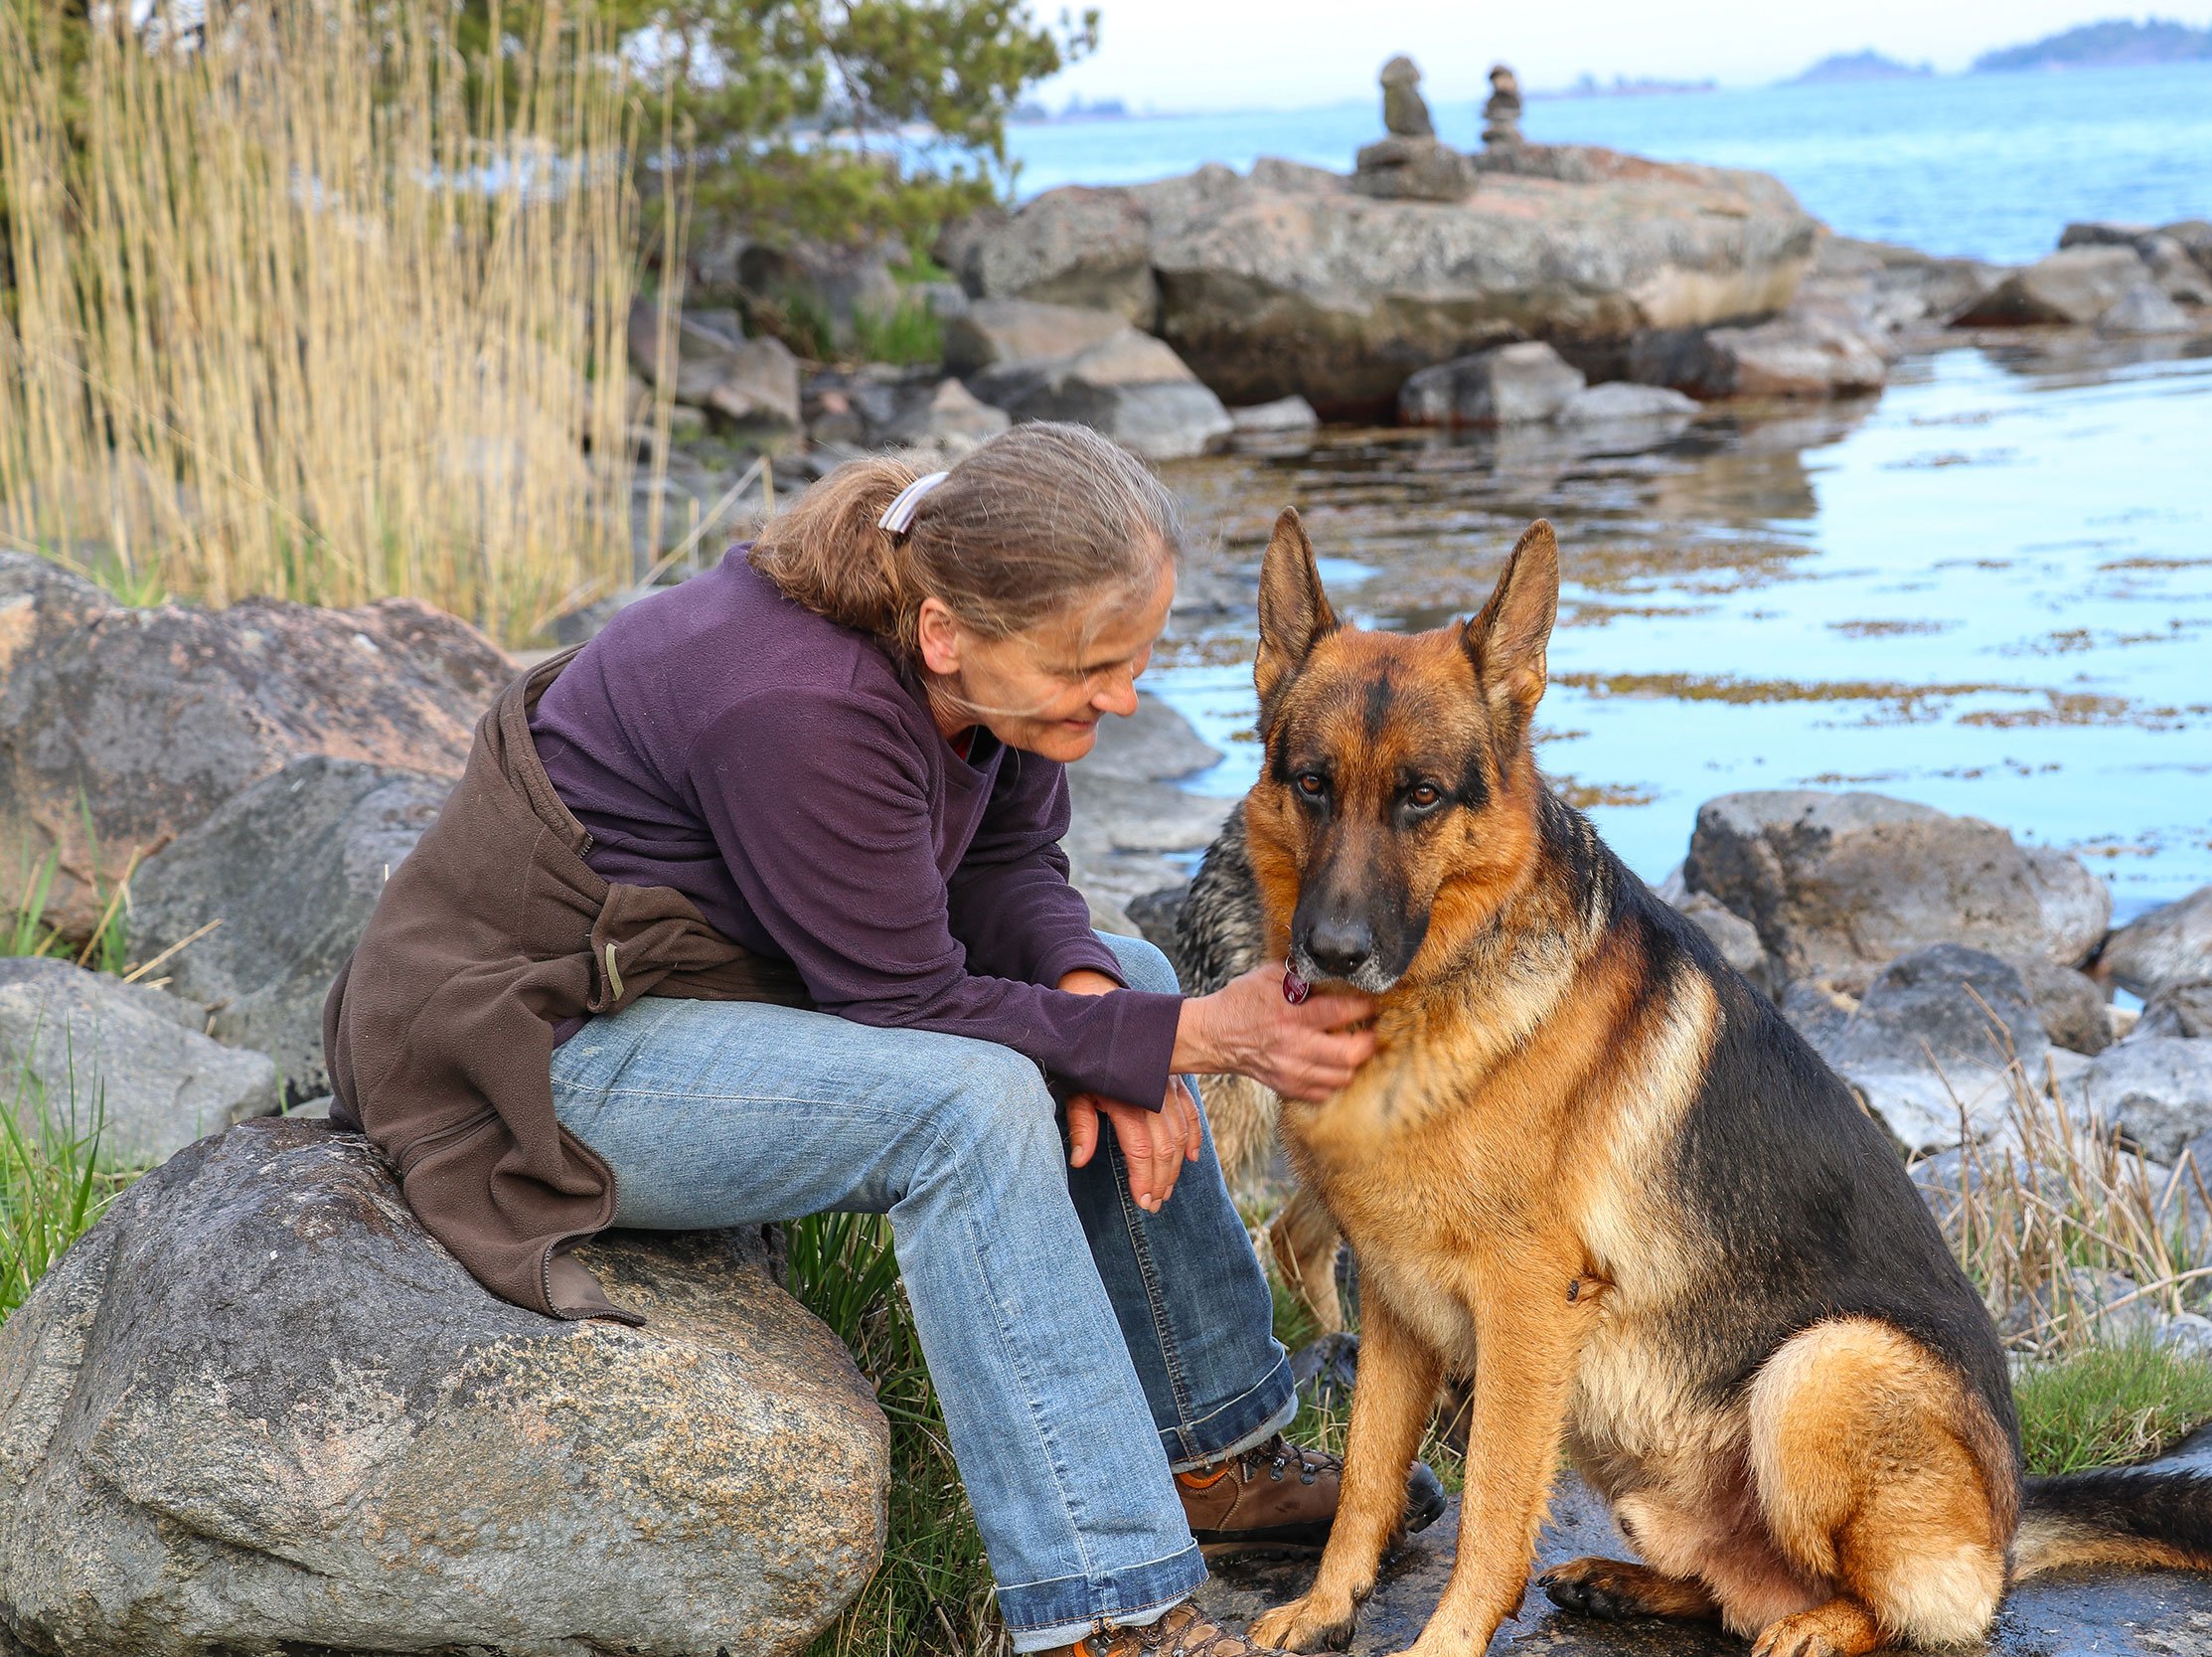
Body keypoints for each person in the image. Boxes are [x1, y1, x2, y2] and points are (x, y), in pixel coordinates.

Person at [325, 421, 1436, 1657]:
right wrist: (1180, 1042)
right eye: (1092, 666)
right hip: (539, 1053)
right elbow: (907, 1004)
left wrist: (1107, 1008)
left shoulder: (975, 665)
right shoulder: (799, 703)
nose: (1122, 697)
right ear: (946, 634)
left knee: (1122, 968)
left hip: (724, 989)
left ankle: (1209, 1453)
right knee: (969, 1108)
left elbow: (1008, 864)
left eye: (1139, 657)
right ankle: (1104, 1605)